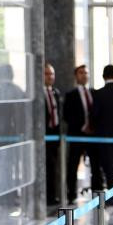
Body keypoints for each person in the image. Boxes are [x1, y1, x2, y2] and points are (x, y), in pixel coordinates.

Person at [62, 64, 100, 203]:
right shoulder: (70, 95)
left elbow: (99, 113)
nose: (84, 75)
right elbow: (67, 116)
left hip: (93, 136)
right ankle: (71, 194)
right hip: (77, 135)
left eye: (86, 72)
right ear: (76, 76)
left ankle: (97, 193)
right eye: (81, 73)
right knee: (73, 165)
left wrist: (93, 127)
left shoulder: (95, 93)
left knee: (96, 165)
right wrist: (83, 126)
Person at [43, 63, 61, 205]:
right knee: (45, 166)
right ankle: (45, 196)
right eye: (47, 74)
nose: (50, 77)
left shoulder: (56, 92)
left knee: (53, 166)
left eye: (52, 74)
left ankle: (52, 196)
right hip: (43, 136)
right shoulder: (38, 93)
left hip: (55, 136)